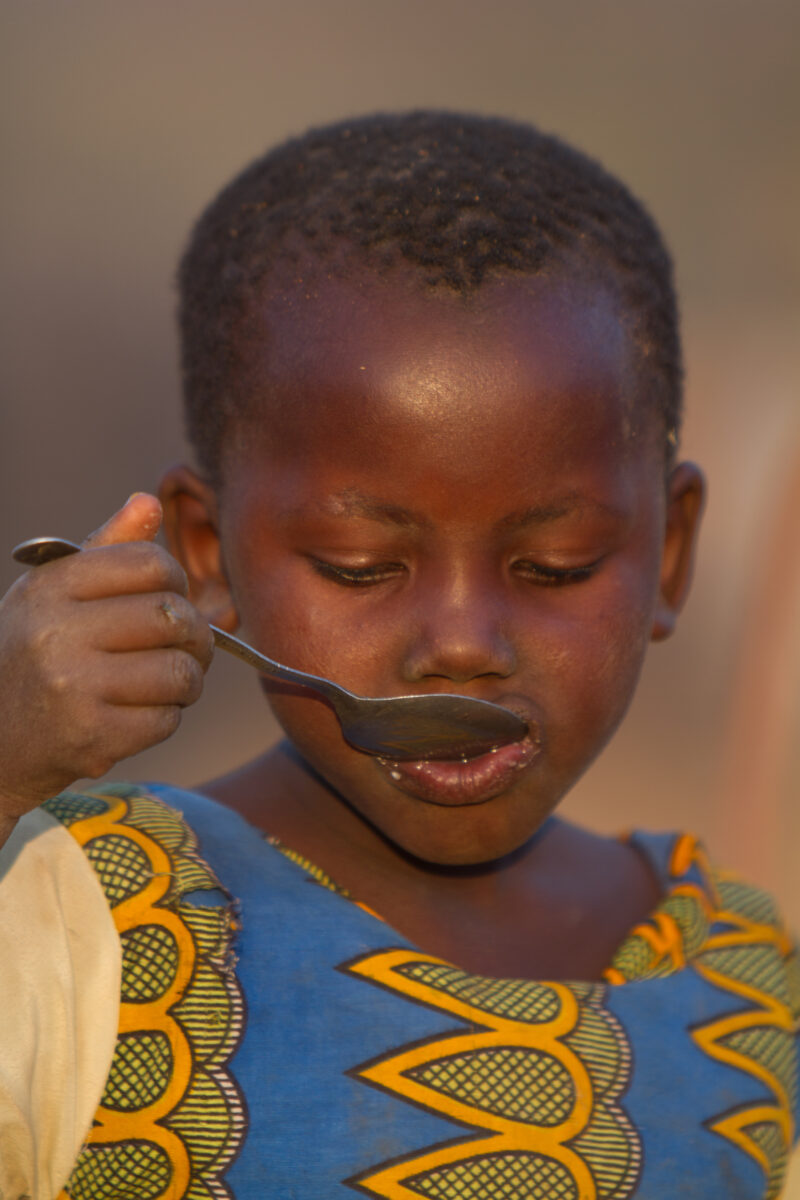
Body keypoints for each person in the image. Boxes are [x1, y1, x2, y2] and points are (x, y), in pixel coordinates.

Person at [0, 111, 797, 1200]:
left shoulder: (738, 980)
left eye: (555, 565)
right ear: (208, 550)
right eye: (360, 563)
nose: (462, 643)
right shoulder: (87, 904)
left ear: (668, 552)